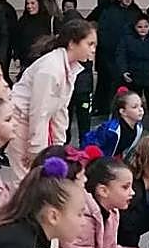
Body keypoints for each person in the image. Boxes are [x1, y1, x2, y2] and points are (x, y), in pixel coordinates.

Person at [9, 18, 96, 179]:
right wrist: (36, 149)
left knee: (43, 179)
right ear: (72, 43)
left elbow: (61, 109)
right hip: (20, 122)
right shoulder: (50, 69)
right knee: (25, 181)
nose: (93, 50)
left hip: (36, 124)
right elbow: (39, 111)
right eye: (89, 44)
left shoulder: (71, 67)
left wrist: (58, 146)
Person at [96, 0, 141, 108]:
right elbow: (103, 32)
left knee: (133, 86)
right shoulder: (110, 12)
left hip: (132, 55)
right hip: (113, 55)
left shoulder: (136, 12)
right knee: (115, 85)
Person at [83, 88, 145, 159]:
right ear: (123, 112)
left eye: (141, 105)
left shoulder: (138, 127)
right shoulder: (111, 130)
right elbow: (93, 146)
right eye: (135, 107)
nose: (140, 110)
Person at [12, 0, 54, 76]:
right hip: (26, 61)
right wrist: (16, 57)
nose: (29, 6)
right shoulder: (23, 20)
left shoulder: (48, 20)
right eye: (27, 3)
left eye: (32, 3)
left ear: (39, 4)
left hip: (43, 60)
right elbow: (16, 40)